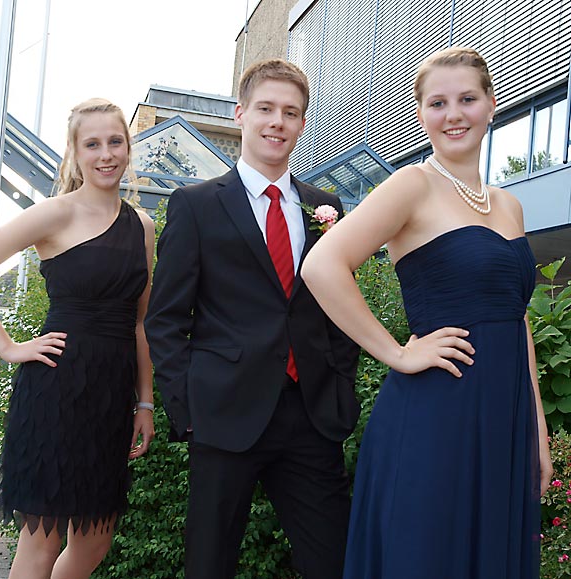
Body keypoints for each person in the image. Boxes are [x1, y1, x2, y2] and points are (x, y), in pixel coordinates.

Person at [301, 47, 553, 578]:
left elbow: (517, 317)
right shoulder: (412, 185)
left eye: (467, 98)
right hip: (437, 412)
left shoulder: (510, 206)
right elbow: (322, 265)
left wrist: (537, 427)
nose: (453, 113)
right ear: (421, 113)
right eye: (437, 102)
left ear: (491, 105)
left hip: (503, 419)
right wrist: (396, 352)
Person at [145, 58, 361, 579]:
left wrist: (338, 382)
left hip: (310, 416)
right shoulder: (195, 205)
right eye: (265, 108)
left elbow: (340, 306)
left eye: (290, 113)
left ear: (302, 124)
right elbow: (167, 318)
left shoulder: (324, 206)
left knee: (333, 561)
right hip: (223, 415)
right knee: (209, 562)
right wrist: (187, 406)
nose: (277, 122)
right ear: (241, 113)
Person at [0, 98, 155, 579]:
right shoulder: (55, 214)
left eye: (115, 142)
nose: (106, 154)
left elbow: (139, 322)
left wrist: (143, 402)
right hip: (55, 390)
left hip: (110, 395)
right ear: (75, 152)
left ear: (128, 147)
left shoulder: (142, 227)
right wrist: (7, 347)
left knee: (96, 539)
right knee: (42, 541)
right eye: (93, 144)